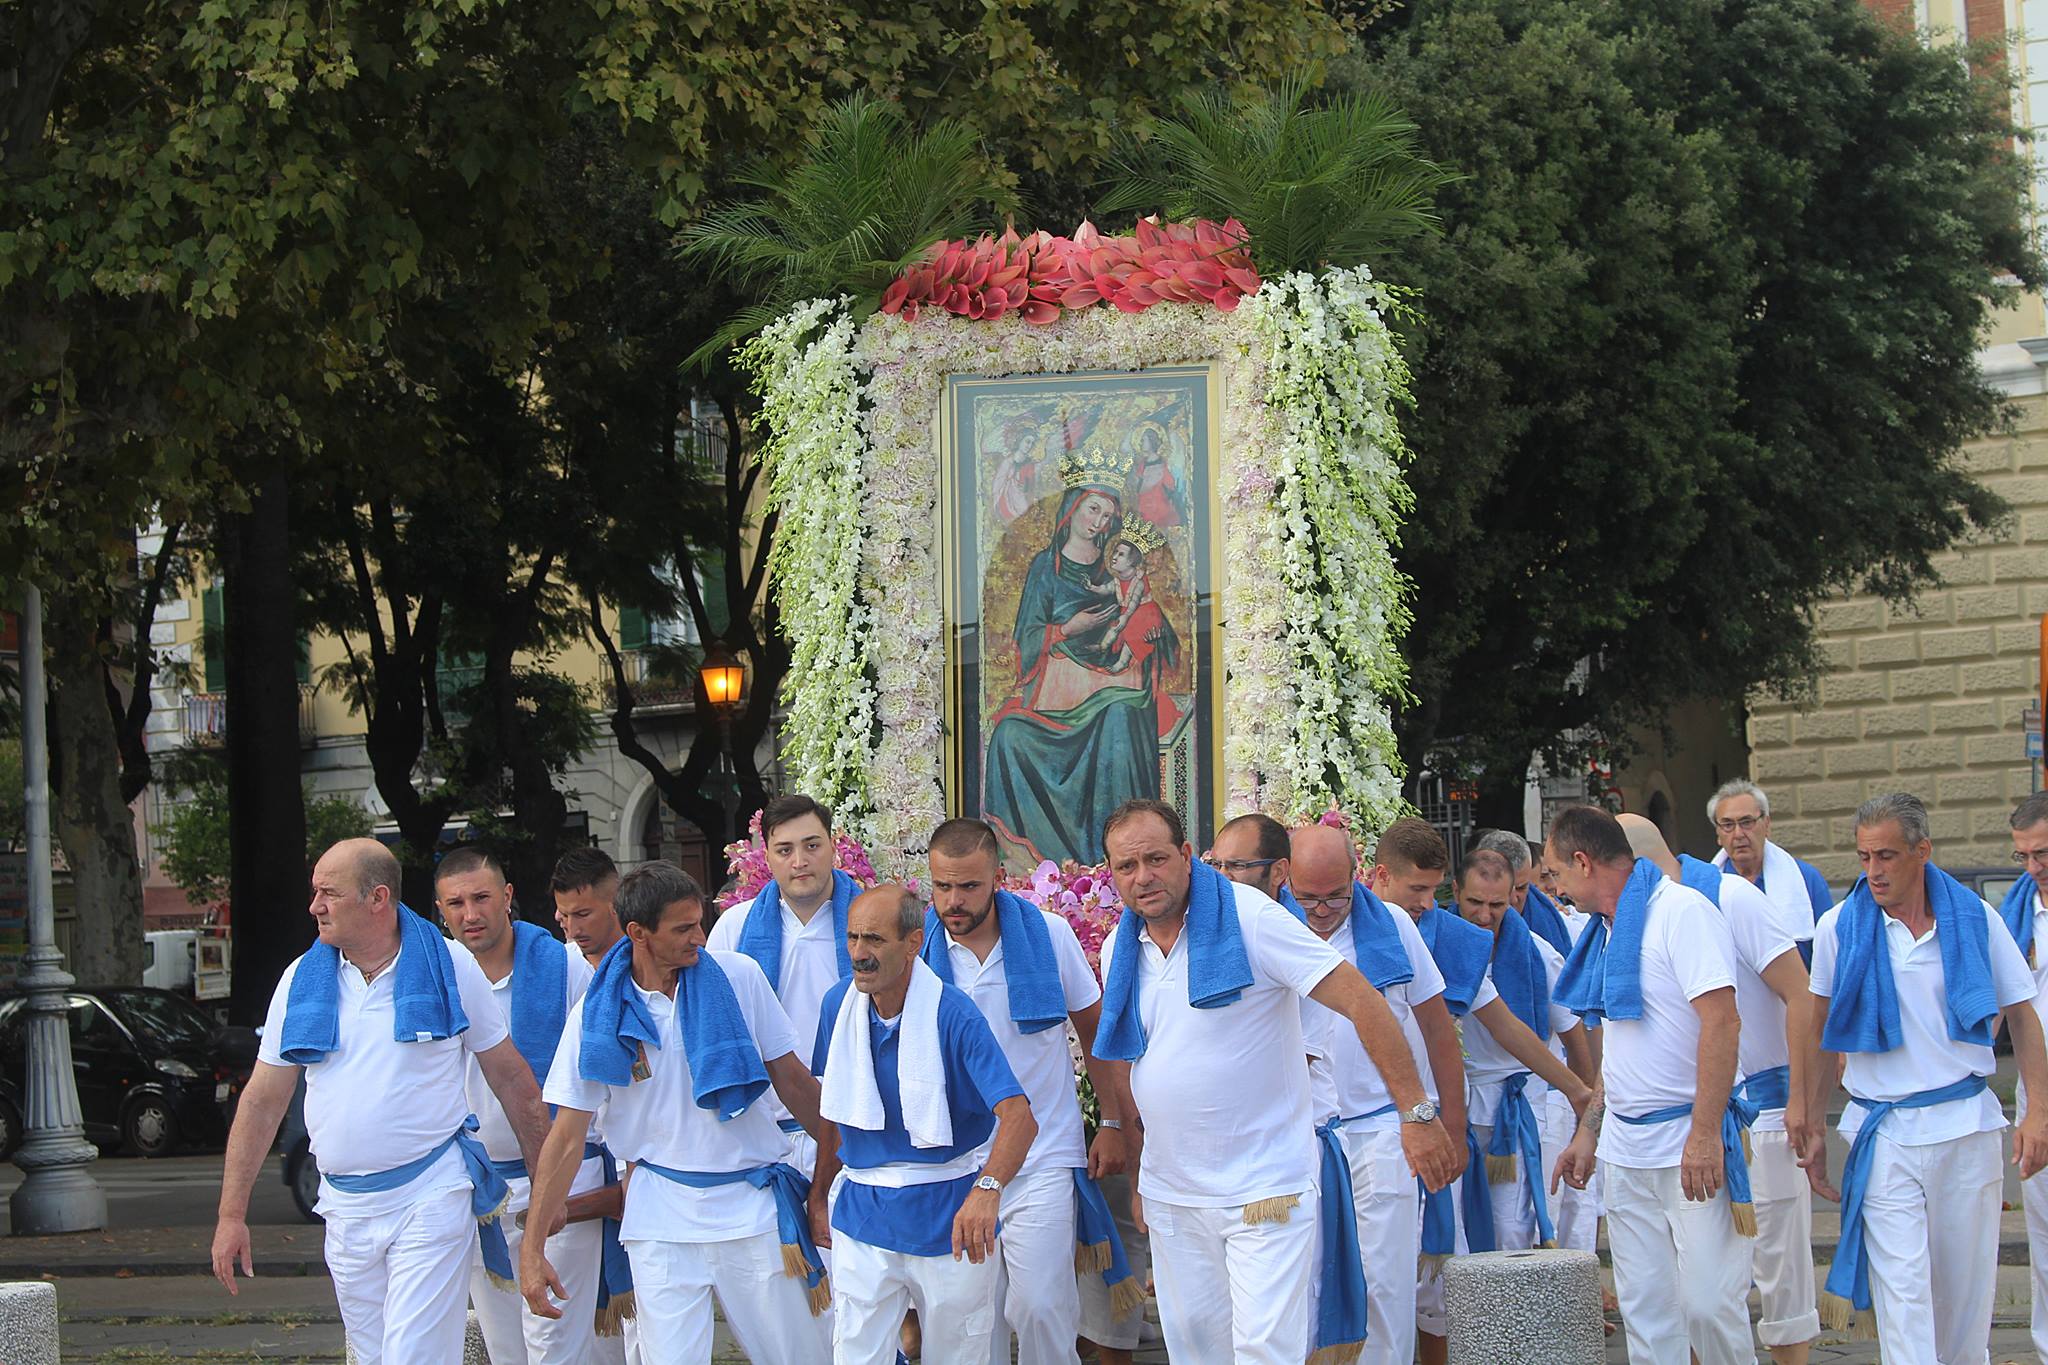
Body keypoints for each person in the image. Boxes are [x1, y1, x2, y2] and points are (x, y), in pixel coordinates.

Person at [1094, 799, 1460, 1364]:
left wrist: (1416, 1114)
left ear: (1187, 856)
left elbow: (1363, 1001)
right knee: (1197, 1351)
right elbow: (1130, 1063)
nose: (1143, 877)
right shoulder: (1119, 948)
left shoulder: (1252, 918)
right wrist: (1142, 1171)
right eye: (1127, 866)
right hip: (1175, 1193)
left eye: (1156, 859)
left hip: (1265, 1188)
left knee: (1266, 1352)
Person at [211, 839, 549, 1364]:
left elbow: (511, 1078)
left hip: (431, 1196)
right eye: (315, 893)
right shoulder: (300, 980)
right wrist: (231, 1214)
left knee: (413, 1357)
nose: (315, 906)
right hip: (344, 1208)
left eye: (329, 893)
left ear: (377, 898)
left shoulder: (450, 965)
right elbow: (262, 1101)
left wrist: (546, 1192)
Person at [521, 861, 833, 1363]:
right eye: (684, 928)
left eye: (699, 923)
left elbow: (794, 1082)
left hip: (750, 1205)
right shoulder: (595, 1015)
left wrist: (841, 1172)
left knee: (800, 1357)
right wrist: (532, 1249)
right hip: (658, 1214)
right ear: (638, 933)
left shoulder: (738, 976)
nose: (700, 938)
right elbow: (566, 1137)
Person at [1804, 792, 2048, 1360]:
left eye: (1886, 856)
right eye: (1864, 857)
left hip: (1965, 1126)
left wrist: (2037, 1112)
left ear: (1922, 852)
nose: (1873, 871)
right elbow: (1818, 1029)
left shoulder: (1975, 917)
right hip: (1883, 1133)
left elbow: (2022, 1015)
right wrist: (1810, 1119)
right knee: (1904, 1298)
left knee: (1963, 1304)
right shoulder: (1840, 927)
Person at [1222, 817, 1448, 1365]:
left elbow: (1436, 1025)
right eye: (1309, 897)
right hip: (1297, 1140)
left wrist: (1441, 1121)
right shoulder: (1264, 929)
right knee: (1298, 1288)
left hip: (1381, 1130)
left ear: (1357, 875)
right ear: (1283, 877)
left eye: (1336, 896)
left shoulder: (1392, 924)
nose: (1322, 910)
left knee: (1386, 1284)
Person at [1364, 819, 1590, 1364]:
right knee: (1375, 1274)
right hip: (1360, 1128)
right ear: (1379, 877)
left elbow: (1508, 1026)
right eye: (1416, 889)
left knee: (1442, 1267)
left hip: (1434, 1122)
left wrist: (1579, 1092)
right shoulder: (1345, 930)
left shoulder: (1453, 941)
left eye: (1431, 891)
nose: (1426, 904)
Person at [921, 818, 1135, 1365]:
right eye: (943, 886)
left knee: (1042, 1307)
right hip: (955, 1160)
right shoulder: (916, 951)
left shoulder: (1049, 934)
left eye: (969, 886)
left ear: (998, 877)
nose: (954, 900)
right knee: (971, 1317)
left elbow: (1094, 1030)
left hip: (1043, 1155)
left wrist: (1113, 1122)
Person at [1546, 806, 1751, 1365]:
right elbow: (1623, 1050)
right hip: (1626, 1147)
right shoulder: (1608, 930)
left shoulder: (1682, 912)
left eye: (1557, 873)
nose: (1556, 889)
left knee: (1710, 1306)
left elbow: (1722, 1022)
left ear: (1583, 862)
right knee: (1646, 1312)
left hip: (1689, 1138)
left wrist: (1705, 1134)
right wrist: (1590, 1132)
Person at [1617, 814, 1822, 1365]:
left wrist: (1802, 1099)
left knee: (1778, 1268)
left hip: (1763, 1106)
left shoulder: (1732, 898)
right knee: (1696, 1289)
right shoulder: (1635, 917)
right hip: (1687, 1116)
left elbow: (1801, 994)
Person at [808, 883, 1039, 1365]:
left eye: (874, 939)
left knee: (960, 1354)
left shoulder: (954, 1014)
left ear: (913, 943)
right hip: (862, 1209)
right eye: (852, 938)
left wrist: (987, 1190)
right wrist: (819, 1192)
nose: (859, 953)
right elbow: (835, 1108)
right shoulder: (836, 1005)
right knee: (855, 1355)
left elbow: (1019, 1117)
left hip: (949, 1213)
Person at [436, 847, 614, 1365]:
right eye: (456, 903)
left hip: (563, 1177)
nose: (471, 914)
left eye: (482, 897)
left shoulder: (566, 967)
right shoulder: (435, 979)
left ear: (508, 896)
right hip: (480, 1186)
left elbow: (600, 1072)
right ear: (441, 911)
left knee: (554, 1345)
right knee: (506, 1348)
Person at [982, 466, 1175, 867]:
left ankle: (1121, 860)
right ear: (1072, 509)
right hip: (1058, 692)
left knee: (1121, 717)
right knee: (1008, 736)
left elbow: (1149, 619)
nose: (1098, 522)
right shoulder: (1045, 568)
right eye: (1092, 509)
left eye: (1107, 516)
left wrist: (1152, 632)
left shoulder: (1115, 570)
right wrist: (1068, 629)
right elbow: (1028, 635)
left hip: (1111, 682)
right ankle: (1036, 866)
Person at [1450, 849, 1595, 1253]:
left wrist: (1584, 1114)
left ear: (1514, 897)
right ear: (1456, 891)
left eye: (1496, 905)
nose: (1484, 915)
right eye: (1475, 902)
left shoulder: (1537, 953)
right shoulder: (1440, 943)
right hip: (1456, 1103)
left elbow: (1574, 1036)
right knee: (1455, 1229)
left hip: (1516, 1107)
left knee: (1512, 1230)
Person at [707, 794, 859, 1175]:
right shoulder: (735, 927)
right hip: (763, 1136)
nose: (799, 861)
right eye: (785, 850)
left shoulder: (870, 923)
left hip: (856, 1130)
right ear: (767, 857)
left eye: (812, 845)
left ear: (833, 846)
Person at [2006, 791, 2048, 1362]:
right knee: (2043, 1236)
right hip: (2038, 1094)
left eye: (2043, 854)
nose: (2033, 868)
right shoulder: (2017, 914)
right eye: (2023, 856)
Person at [1709, 779, 1830, 960]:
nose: (1738, 834)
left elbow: (1829, 952)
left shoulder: (1806, 879)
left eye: (1746, 822)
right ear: (1718, 834)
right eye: (1727, 825)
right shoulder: (1707, 887)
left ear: (1766, 824)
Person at [553, 847, 627, 968]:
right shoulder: (559, 968)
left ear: (616, 901)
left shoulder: (650, 963)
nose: (573, 931)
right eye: (564, 915)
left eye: (582, 914)